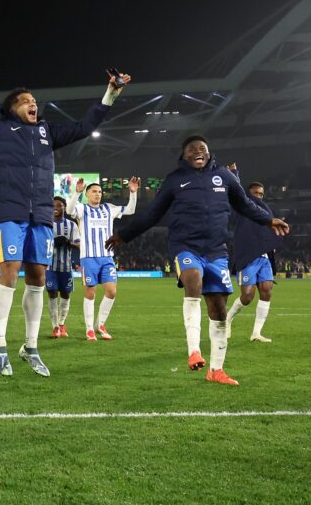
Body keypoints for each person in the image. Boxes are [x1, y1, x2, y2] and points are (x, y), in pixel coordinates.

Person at [0, 55, 130, 377]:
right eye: (25, 102)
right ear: (12, 109)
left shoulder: (48, 132)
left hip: (41, 216)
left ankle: (30, 346)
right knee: (10, 271)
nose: (32, 104)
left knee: (37, 277)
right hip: (9, 211)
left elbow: (84, 126)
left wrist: (110, 95)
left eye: (34, 101)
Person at [106, 136, 289, 386]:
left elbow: (245, 205)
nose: (198, 151)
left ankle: (216, 370)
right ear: (184, 156)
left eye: (202, 148)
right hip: (186, 247)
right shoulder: (174, 180)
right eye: (192, 149)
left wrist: (268, 220)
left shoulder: (224, 177)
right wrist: (124, 235)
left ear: (209, 153)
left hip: (217, 251)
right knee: (193, 280)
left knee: (218, 309)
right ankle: (194, 350)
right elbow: (152, 215)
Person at [68, 177, 139, 341]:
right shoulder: (81, 208)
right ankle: (89, 329)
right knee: (90, 293)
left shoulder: (109, 208)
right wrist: (76, 193)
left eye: (100, 192)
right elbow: (70, 210)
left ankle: (100, 324)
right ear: (87, 194)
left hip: (107, 257)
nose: (97, 194)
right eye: (94, 191)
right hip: (89, 257)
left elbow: (130, 210)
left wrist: (133, 193)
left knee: (111, 291)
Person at [224, 164, 282, 343]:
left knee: (266, 291)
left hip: (264, 257)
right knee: (248, 296)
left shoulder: (265, 210)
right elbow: (236, 193)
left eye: (261, 194)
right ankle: (227, 319)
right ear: (248, 195)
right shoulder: (242, 209)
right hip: (247, 256)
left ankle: (256, 333)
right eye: (255, 193)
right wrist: (234, 174)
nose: (259, 196)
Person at [46, 196, 80, 339]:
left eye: (59, 205)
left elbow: (78, 244)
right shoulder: (46, 224)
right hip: (50, 267)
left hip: (66, 267)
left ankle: (62, 323)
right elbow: (41, 243)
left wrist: (68, 243)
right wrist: (53, 242)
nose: (56, 208)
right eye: (53, 205)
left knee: (65, 294)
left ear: (64, 208)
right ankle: (54, 326)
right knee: (52, 293)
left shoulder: (72, 225)